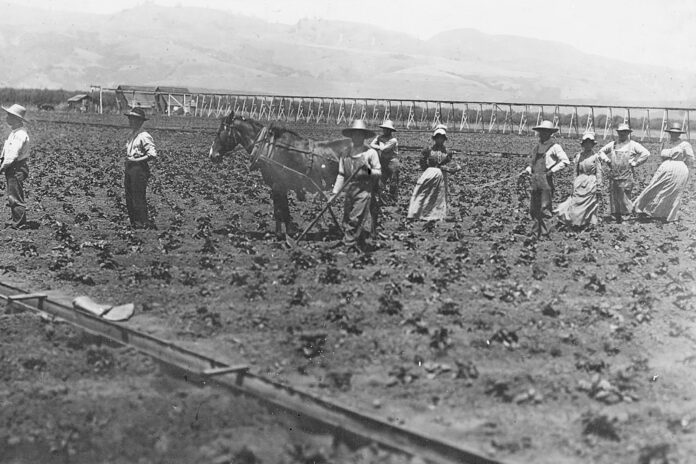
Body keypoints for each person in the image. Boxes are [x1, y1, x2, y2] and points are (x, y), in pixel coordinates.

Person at [331, 119, 381, 251]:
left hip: (364, 189)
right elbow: (341, 174)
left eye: (360, 134)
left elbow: (378, 173)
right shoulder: (346, 152)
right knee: (347, 218)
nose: (357, 137)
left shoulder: (370, 153)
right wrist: (334, 194)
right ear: (351, 135)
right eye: (355, 134)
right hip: (350, 189)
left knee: (355, 218)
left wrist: (367, 168)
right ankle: (356, 241)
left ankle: (348, 245)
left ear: (364, 136)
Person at [633, 122, 694, 222]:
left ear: (679, 134)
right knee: (653, 186)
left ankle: (667, 215)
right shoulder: (665, 143)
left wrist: (686, 169)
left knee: (674, 191)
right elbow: (662, 156)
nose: (674, 135)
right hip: (665, 167)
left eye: (676, 133)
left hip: (679, 168)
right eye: (672, 133)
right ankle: (640, 208)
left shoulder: (685, 144)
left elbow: (691, 159)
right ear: (670, 133)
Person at [520, 120, 570, 239]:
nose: (542, 134)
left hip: (546, 180)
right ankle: (535, 231)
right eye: (541, 132)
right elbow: (531, 164)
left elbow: (565, 161)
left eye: (545, 132)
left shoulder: (555, 147)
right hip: (535, 179)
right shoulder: (536, 147)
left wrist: (552, 171)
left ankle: (545, 233)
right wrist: (526, 171)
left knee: (545, 207)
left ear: (549, 133)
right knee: (534, 207)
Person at [597, 123, 650, 223]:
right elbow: (601, 152)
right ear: (618, 133)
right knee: (614, 196)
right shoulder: (613, 144)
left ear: (628, 133)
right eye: (620, 132)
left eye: (624, 132)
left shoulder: (633, 145)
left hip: (626, 175)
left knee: (625, 196)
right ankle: (615, 217)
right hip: (614, 174)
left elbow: (646, 153)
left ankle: (626, 217)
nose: (622, 134)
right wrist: (607, 161)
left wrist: (635, 163)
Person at [555, 132, 609, 229]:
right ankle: (575, 221)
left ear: (592, 145)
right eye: (586, 143)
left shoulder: (596, 157)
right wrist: (574, 183)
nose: (587, 145)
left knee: (590, 203)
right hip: (580, 181)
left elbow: (599, 172)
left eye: (590, 143)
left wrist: (599, 186)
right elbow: (575, 171)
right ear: (583, 144)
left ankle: (587, 223)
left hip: (591, 181)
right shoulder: (578, 156)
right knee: (575, 201)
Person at [407, 125, 453, 221]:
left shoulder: (448, 151)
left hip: (442, 174)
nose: (439, 139)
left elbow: (449, 163)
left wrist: (448, 168)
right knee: (424, 192)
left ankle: (437, 214)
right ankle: (417, 212)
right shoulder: (428, 150)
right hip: (430, 173)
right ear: (435, 138)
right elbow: (422, 161)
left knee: (440, 194)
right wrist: (427, 170)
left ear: (444, 139)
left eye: (441, 137)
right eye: (438, 137)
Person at [124, 107, 157, 229]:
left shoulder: (144, 135)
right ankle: (134, 223)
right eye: (130, 119)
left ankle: (143, 223)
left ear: (140, 121)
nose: (130, 121)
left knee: (138, 196)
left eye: (133, 119)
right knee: (129, 196)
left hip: (139, 169)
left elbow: (152, 154)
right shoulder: (132, 135)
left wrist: (136, 160)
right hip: (130, 167)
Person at [0, 104, 31, 229]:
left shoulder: (20, 135)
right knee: (13, 194)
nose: (7, 118)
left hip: (16, 167)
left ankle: (19, 224)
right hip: (13, 167)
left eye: (9, 116)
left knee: (15, 196)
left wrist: (1, 168)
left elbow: (12, 156)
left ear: (17, 119)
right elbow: (6, 151)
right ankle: (17, 219)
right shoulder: (14, 133)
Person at [369, 119, 400, 203]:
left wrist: (380, 144)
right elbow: (371, 144)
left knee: (393, 181)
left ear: (390, 130)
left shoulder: (393, 140)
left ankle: (393, 199)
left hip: (392, 162)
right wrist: (380, 144)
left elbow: (384, 149)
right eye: (384, 129)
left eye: (387, 129)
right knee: (381, 180)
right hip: (383, 161)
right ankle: (383, 198)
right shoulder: (379, 137)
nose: (385, 130)